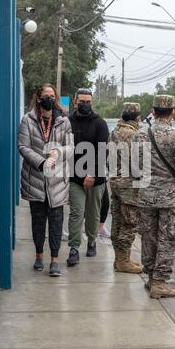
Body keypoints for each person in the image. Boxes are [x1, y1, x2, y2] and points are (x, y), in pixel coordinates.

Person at [136, 95, 175, 298]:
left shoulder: (140, 135)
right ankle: (159, 282)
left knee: (148, 236)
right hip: (170, 198)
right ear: (173, 112)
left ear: (153, 111)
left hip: (145, 195)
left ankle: (151, 278)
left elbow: (134, 168)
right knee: (168, 238)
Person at [18, 84, 73, 276]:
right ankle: (39, 255)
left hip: (57, 181)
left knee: (57, 222)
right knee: (38, 222)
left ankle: (55, 260)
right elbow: (23, 147)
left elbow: (70, 147)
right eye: (46, 95)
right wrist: (41, 162)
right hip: (35, 179)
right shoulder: (28, 120)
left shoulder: (64, 121)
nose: (49, 98)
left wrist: (58, 152)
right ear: (38, 98)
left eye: (52, 95)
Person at [67, 88, 109, 266]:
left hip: (96, 177)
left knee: (93, 213)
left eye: (88, 102)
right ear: (75, 102)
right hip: (75, 178)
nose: (85, 104)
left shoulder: (100, 123)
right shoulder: (67, 122)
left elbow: (102, 151)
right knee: (76, 212)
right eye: (82, 101)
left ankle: (91, 241)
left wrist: (92, 174)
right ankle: (74, 248)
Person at [108, 102, 142, 274]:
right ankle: (123, 261)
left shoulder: (114, 132)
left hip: (115, 183)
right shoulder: (135, 135)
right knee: (130, 223)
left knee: (117, 221)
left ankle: (120, 258)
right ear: (137, 117)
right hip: (129, 185)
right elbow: (139, 163)